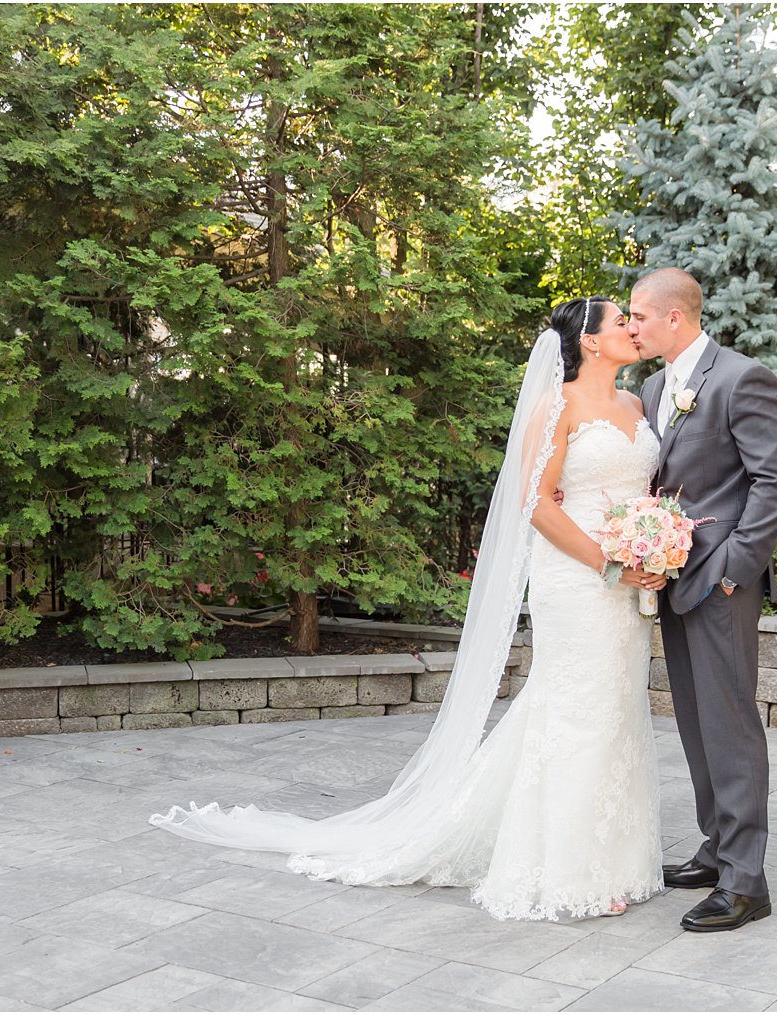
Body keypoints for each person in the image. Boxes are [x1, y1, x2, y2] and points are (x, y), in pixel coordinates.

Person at [151, 297, 669, 921]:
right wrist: (607, 560)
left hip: (628, 582)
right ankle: (566, 866)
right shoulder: (555, 407)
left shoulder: (637, 405)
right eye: (620, 322)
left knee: (615, 708)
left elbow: (640, 491)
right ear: (588, 342)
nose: (632, 331)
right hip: (580, 576)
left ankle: (612, 857)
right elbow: (537, 504)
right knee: (575, 711)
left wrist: (652, 540)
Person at [628, 266, 777, 932]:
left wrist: (734, 568)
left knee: (729, 722)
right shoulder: (650, 386)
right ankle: (716, 846)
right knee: (697, 722)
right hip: (671, 576)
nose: (632, 325)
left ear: (676, 316)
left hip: (722, 582)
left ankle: (746, 880)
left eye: (639, 315)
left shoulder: (741, 378)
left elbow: (776, 483)